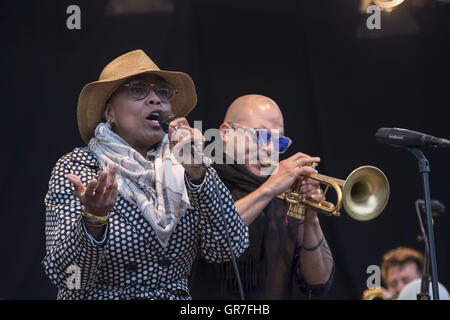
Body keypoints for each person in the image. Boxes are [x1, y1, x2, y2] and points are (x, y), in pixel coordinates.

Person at [42, 49, 249, 300]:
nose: (155, 99)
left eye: (163, 92)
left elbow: (229, 248)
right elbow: (67, 275)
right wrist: (94, 220)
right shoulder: (81, 167)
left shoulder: (187, 162)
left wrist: (198, 175)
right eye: (138, 89)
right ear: (110, 113)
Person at [189, 94, 334, 299]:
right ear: (225, 134)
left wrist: (311, 217)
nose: (269, 149)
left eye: (279, 142)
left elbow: (320, 282)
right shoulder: (198, 179)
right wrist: (269, 188)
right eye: (260, 136)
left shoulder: (285, 195)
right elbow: (212, 232)